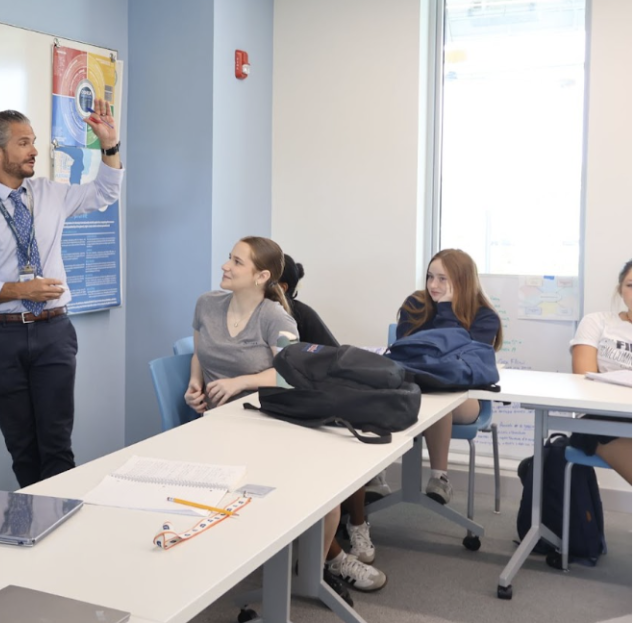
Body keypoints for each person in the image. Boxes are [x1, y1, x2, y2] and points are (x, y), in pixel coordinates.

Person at [187, 239, 386, 593]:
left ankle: (325, 563)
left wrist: (239, 383)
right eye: (228, 259)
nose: (225, 266)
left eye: (236, 261)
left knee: (321, 491)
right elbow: (200, 352)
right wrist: (195, 385)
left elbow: (289, 374)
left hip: (270, 420)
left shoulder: (276, 318)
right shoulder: (207, 304)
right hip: (221, 428)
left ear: (261, 276)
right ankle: (329, 560)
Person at [0, 104, 123, 487]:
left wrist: (110, 147)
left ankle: (62, 535)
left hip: (54, 332)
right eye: (23, 143)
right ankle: (35, 529)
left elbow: (104, 193)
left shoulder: (50, 194)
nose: (33, 151)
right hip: (2, 337)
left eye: (34, 142)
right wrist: (18, 290)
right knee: (22, 447)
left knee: (57, 444)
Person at [279, 254, 377, 566]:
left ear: (279, 285)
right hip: (271, 411)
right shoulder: (236, 314)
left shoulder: (298, 316)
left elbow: (335, 360)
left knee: (347, 442)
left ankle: (356, 523)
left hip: (309, 402)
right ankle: (330, 553)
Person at [395, 248, 502, 505]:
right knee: (379, 392)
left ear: (462, 281)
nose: (433, 285)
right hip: (415, 387)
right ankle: (373, 479)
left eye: (443, 279)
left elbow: (459, 361)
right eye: (430, 277)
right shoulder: (415, 305)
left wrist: (446, 310)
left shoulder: (485, 317)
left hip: (464, 396)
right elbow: (405, 351)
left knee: (440, 398)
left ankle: (439, 478)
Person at [567, 260, 632, 483]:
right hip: (603, 421)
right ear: (620, 291)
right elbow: (583, 381)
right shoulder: (598, 322)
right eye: (631, 285)